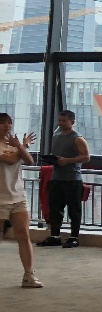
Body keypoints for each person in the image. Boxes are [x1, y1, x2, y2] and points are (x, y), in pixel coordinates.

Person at [37, 110, 89, 249]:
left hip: (72, 179)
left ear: (72, 122)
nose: (60, 123)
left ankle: (74, 237)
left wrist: (67, 160)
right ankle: (55, 236)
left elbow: (86, 157)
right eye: (59, 120)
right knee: (55, 209)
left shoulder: (78, 138)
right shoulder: (56, 136)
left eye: (64, 121)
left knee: (74, 210)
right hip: (56, 177)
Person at [0, 114, 41, 288]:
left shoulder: (14, 144)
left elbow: (30, 160)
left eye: (9, 123)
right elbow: (10, 160)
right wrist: (23, 146)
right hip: (1, 198)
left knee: (24, 235)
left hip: (18, 196)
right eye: (2, 123)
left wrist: (19, 146)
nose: (7, 126)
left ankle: (29, 275)